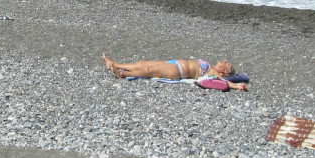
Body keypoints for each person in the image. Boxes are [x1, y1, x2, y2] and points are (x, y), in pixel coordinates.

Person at [101, 54, 246, 87]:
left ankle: (122, 74)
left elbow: (225, 83)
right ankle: (116, 64)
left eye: (227, 65)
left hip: (178, 71)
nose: (224, 62)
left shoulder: (213, 73)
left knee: (148, 70)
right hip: (174, 63)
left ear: (224, 72)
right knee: (143, 63)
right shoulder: (210, 65)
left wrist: (238, 86)